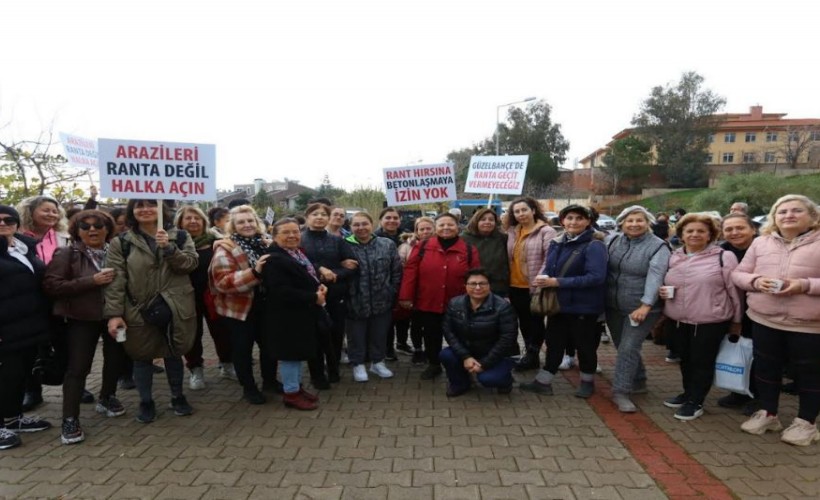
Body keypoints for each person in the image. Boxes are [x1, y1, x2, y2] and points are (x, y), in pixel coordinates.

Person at [733, 194, 820, 446]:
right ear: (774, 217)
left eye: (796, 210)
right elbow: (738, 274)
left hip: (809, 324)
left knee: (809, 373)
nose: (788, 215)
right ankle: (769, 413)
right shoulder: (762, 243)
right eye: (782, 212)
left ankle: (806, 422)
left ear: (812, 216)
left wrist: (804, 285)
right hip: (765, 318)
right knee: (766, 368)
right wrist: (756, 281)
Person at [104, 199, 198, 423]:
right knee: (141, 355)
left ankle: (178, 396)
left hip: (175, 306)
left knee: (174, 351)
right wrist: (114, 314)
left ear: (161, 209)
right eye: (139, 206)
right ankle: (146, 401)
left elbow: (190, 265)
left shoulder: (181, 236)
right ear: (132, 212)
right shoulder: (122, 242)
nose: (145, 209)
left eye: (151, 204)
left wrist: (169, 248)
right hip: (138, 308)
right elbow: (116, 280)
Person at [44, 210, 128, 444]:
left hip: (116, 316)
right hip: (81, 318)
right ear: (76, 230)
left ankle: (107, 396)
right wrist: (91, 281)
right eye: (85, 226)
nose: (92, 229)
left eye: (98, 225)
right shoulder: (67, 253)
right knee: (78, 368)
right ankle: (69, 419)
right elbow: (52, 285)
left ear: (107, 228)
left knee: (115, 359)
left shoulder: (117, 250)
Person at [660, 213, 742, 421]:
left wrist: (737, 320)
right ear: (681, 235)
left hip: (709, 320)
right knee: (685, 359)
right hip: (678, 318)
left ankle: (696, 401)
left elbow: (734, 291)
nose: (694, 235)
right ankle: (687, 393)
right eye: (689, 231)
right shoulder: (675, 256)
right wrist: (664, 291)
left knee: (702, 362)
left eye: (700, 231)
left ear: (710, 235)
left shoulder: (723, 256)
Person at [520, 205, 608, 398]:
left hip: (584, 306)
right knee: (554, 343)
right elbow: (550, 267)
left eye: (579, 218)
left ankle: (587, 382)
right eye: (569, 218)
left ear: (588, 221)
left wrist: (556, 282)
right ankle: (543, 381)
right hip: (559, 305)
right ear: (562, 221)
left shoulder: (595, 245)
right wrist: (543, 277)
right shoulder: (557, 242)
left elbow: (595, 277)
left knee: (584, 345)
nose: (574, 222)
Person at [605, 206, 671, 413]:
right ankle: (639, 379)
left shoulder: (658, 246)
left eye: (639, 220)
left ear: (648, 222)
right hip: (613, 305)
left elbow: (656, 276)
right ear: (622, 222)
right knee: (623, 345)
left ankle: (621, 391)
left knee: (628, 348)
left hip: (642, 308)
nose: (634, 224)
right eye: (630, 220)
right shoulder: (614, 240)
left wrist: (646, 304)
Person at [399, 213, 481, 380]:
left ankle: (461, 365)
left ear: (458, 227)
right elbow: (410, 272)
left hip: (458, 303)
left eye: (450, 225)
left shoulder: (468, 250)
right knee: (431, 335)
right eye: (442, 225)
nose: (446, 228)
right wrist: (406, 296)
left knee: (459, 337)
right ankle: (434, 364)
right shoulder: (422, 247)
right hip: (428, 301)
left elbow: (476, 277)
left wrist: (476, 300)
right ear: (436, 228)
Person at [209, 205, 277, 404]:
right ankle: (249, 388)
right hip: (239, 309)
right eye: (241, 222)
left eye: (250, 221)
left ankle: (270, 381)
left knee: (269, 346)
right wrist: (254, 273)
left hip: (265, 305)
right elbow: (222, 281)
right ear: (232, 225)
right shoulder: (226, 248)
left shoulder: (264, 244)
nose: (247, 225)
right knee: (242, 349)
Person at [0, 205, 52, 450]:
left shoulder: (23, 247)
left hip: (28, 325)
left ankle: (13, 417)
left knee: (18, 375)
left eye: (9, 219)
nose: (3, 223)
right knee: (4, 375)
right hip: (5, 328)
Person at [261, 218, 327, 410]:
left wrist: (318, 286)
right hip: (286, 316)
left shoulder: (295, 253)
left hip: (301, 314)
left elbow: (307, 276)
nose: (292, 236)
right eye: (286, 233)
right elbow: (280, 291)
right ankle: (291, 393)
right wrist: (313, 297)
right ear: (275, 236)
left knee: (298, 354)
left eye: (295, 232)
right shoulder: (274, 259)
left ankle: (296, 388)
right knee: (290, 356)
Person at [16, 195, 72, 411]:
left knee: (65, 345)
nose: (51, 214)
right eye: (45, 210)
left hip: (59, 300)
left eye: (54, 211)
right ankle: (33, 390)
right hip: (30, 302)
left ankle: (73, 386)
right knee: (33, 348)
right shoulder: (17, 239)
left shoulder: (64, 237)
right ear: (30, 212)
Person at [174, 205, 235, 391]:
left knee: (222, 332)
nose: (193, 221)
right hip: (186, 296)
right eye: (188, 218)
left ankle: (227, 364)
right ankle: (196, 370)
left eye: (197, 218)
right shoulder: (174, 243)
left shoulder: (218, 240)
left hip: (213, 295)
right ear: (180, 222)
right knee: (192, 335)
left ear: (203, 221)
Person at [300, 203, 358, 389]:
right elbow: (296, 265)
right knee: (314, 334)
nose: (319, 217)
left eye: (323, 214)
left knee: (335, 332)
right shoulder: (299, 240)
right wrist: (319, 270)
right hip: (310, 295)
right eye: (314, 214)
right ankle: (317, 374)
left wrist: (335, 274)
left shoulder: (338, 241)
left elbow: (352, 267)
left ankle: (333, 369)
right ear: (307, 217)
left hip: (335, 293)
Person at [441, 269, 519, 396]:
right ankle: (460, 383)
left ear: (489, 285)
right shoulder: (454, 304)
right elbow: (449, 332)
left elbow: (507, 339)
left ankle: (506, 381)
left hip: (498, 355)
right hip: (469, 351)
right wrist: (466, 356)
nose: (477, 287)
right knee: (446, 355)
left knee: (488, 379)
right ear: (465, 286)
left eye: (482, 283)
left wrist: (484, 364)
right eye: (472, 283)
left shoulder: (503, 307)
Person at [344, 212, 403, 382]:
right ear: (350, 227)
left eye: (364, 224)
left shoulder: (386, 244)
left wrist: (392, 291)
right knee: (356, 335)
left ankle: (378, 362)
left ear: (372, 224)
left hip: (382, 299)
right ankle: (358, 363)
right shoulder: (344, 245)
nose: (361, 228)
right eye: (356, 225)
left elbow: (396, 271)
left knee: (379, 334)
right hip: (355, 300)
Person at [504, 197, 557, 371]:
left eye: (524, 210)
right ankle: (529, 354)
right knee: (524, 322)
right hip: (514, 285)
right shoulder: (513, 231)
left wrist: (540, 280)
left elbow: (550, 258)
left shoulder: (546, 231)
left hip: (534, 286)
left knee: (535, 323)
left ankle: (533, 355)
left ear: (533, 210)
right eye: (516, 211)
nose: (520, 214)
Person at [716, 213, 759, 413]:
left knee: (759, 356)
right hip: (734, 309)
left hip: (759, 310)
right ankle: (739, 391)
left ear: (753, 229)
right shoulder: (722, 251)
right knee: (739, 351)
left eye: (740, 228)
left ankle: (758, 398)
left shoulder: (763, 248)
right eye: (729, 229)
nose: (734, 232)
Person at [397, 217, 435, 363]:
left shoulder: (439, 244)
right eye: (422, 229)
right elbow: (401, 267)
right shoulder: (407, 246)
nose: (425, 231)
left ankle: (431, 350)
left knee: (431, 325)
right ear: (416, 231)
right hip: (416, 291)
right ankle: (418, 349)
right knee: (417, 323)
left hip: (433, 291)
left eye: (428, 228)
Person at [461, 208, 510, 298]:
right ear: (476, 221)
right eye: (483, 219)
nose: (487, 222)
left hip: (499, 288)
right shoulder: (464, 239)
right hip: (474, 287)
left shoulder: (503, 238)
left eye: (491, 220)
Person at [375, 207, 404, 360]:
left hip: (402, 282)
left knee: (399, 317)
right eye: (388, 218)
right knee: (385, 321)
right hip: (381, 285)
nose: (392, 221)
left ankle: (399, 344)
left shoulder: (406, 236)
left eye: (395, 218)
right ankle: (385, 348)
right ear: (381, 220)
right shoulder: (374, 237)